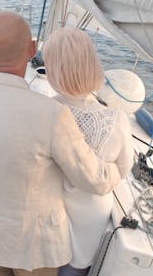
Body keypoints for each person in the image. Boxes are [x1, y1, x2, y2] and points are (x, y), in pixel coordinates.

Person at [0, 11, 123, 276]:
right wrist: (118, 169)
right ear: (31, 49)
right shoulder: (52, 114)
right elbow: (95, 180)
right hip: (38, 250)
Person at [43, 28, 135, 276]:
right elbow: (125, 168)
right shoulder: (117, 119)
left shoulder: (43, 111)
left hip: (48, 212)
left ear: (53, 72)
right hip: (90, 215)